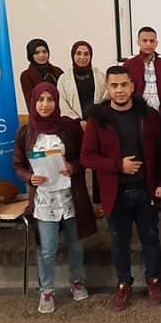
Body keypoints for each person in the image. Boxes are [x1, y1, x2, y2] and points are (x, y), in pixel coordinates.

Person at [81, 66, 161, 311]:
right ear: (107, 88)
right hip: (116, 193)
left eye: (123, 85)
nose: (119, 90)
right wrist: (117, 165)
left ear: (132, 86)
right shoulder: (98, 119)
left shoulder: (149, 116)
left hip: (145, 191)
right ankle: (124, 284)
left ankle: (153, 280)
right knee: (119, 242)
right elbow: (87, 157)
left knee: (151, 238)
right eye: (114, 85)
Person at [12, 82, 96, 314]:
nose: (45, 104)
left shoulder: (69, 127)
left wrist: (73, 166)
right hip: (44, 200)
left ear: (57, 102)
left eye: (50, 99)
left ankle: (77, 281)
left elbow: (86, 157)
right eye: (41, 100)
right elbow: (17, 164)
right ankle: (47, 290)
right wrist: (29, 177)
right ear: (34, 102)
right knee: (47, 249)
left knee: (76, 245)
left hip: (70, 197)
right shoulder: (26, 132)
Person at [58, 41, 107, 217]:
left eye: (86, 54)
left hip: (96, 125)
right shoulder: (64, 79)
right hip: (74, 127)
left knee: (98, 165)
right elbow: (62, 103)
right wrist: (79, 120)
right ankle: (80, 203)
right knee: (77, 164)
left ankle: (99, 202)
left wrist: (92, 119)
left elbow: (105, 98)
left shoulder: (100, 76)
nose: (82, 57)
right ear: (73, 55)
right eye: (78, 53)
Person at [123, 26, 161, 110]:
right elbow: (126, 89)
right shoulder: (129, 64)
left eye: (152, 41)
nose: (148, 44)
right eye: (144, 41)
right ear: (138, 42)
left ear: (156, 43)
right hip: (137, 111)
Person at [20, 38, 64, 108]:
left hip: (61, 111)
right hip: (41, 112)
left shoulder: (58, 71)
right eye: (36, 53)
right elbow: (30, 102)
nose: (41, 55)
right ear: (30, 55)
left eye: (44, 52)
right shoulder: (26, 75)